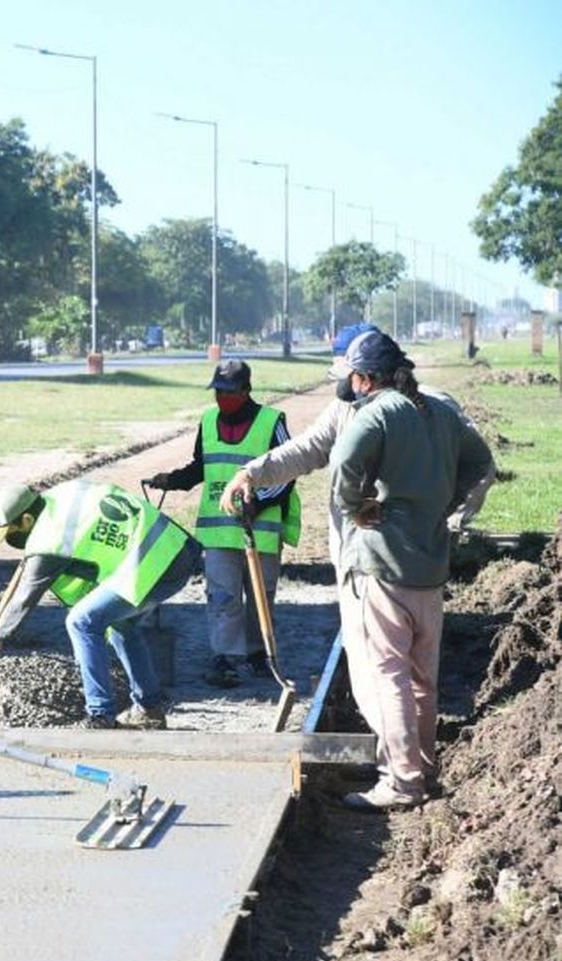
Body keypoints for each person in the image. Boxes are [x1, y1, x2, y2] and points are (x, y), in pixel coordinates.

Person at [324, 331, 493, 811]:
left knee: (388, 674)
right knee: (423, 675)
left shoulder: (375, 413)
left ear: (363, 378)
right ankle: (424, 764)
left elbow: (342, 465)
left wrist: (356, 509)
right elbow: (481, 461)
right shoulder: (438, 412)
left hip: (382, 564)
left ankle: (401, 781)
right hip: (430, 564)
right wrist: (446, 504)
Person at [219, 324, 495, 570]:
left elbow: (480, 465)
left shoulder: (433, 408)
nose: (345, 384)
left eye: (350, 374)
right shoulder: (345, 408)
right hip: (356, 555)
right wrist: (252, 473)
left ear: (368, 373)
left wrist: (449, 519)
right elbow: (307, 448)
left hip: (406, 558)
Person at [0, 479, 201, 729]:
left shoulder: (49, 538)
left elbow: (24, 599)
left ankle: (100, 715)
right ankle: (149, 708)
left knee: (82, 621)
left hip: (156, 563)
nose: (10, 541)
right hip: (174, 547)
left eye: (10, 533)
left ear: (26, 521)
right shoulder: (60, 496)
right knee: (122, 627)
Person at [145, 359, 300, 688]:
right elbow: (202, 466)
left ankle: (259, 653)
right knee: (222, 597)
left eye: (229, 392)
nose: (222, 398)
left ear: (246, 390)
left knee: (260, 595)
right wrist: (171, 480)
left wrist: (257, 504)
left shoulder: (272, 422)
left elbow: (288, 472)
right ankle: (226, 658)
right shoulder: (209, 420)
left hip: (260, 530)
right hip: (218, 533)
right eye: (218, 391)